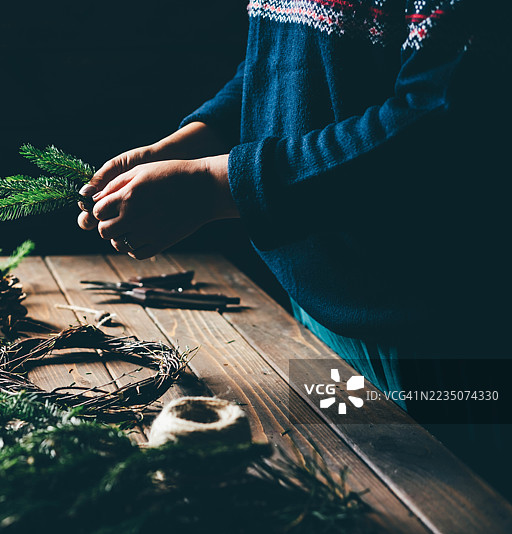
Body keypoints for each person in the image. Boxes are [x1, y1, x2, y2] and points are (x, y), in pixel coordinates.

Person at [78, 1, 512, 495]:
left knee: (453, 509)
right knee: (350, 496)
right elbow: (283, 59)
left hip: (443, 341)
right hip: (316, 314)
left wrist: (215, 185)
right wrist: (195, 141)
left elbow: (442, 123)